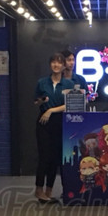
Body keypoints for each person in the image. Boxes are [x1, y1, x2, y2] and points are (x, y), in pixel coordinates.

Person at [33, 52, 73, 202]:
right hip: (44, 121)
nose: (56, 65)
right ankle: (39, 189)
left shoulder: (68, 84)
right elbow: (35, 101)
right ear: (50, 64)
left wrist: (51, 110)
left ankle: (49, 191)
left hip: (60, 121)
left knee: (55, 157)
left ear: (63, 66)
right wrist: (41, 101)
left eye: (59, 62)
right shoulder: (42, 82)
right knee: (44, 156)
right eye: (53, 62)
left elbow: (70, 104)